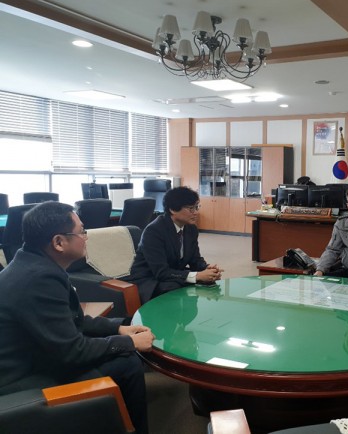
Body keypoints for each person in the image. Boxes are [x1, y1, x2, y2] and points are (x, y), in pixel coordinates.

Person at [0, 202, 154, 434]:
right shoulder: (40, 279)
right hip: (20, 379)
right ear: (58, 242)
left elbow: (74, 321)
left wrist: (119, 329)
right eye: (82, 231)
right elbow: (73, 351)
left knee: (120, 350)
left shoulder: (32, 264)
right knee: (127, 363)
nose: (86, 237)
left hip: (36, 354)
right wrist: (129, 343)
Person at [125, 186, 223, 303]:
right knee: (175, 287)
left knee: (206, 282)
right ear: (172, 209)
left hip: (172, 274)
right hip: (149, 279)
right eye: (191, 208)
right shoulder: (154, 231)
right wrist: (197, 276)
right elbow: (161, 272)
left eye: (197, 207)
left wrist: (207, 268)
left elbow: (195, 260)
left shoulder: (191, 229)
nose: (196, 212)